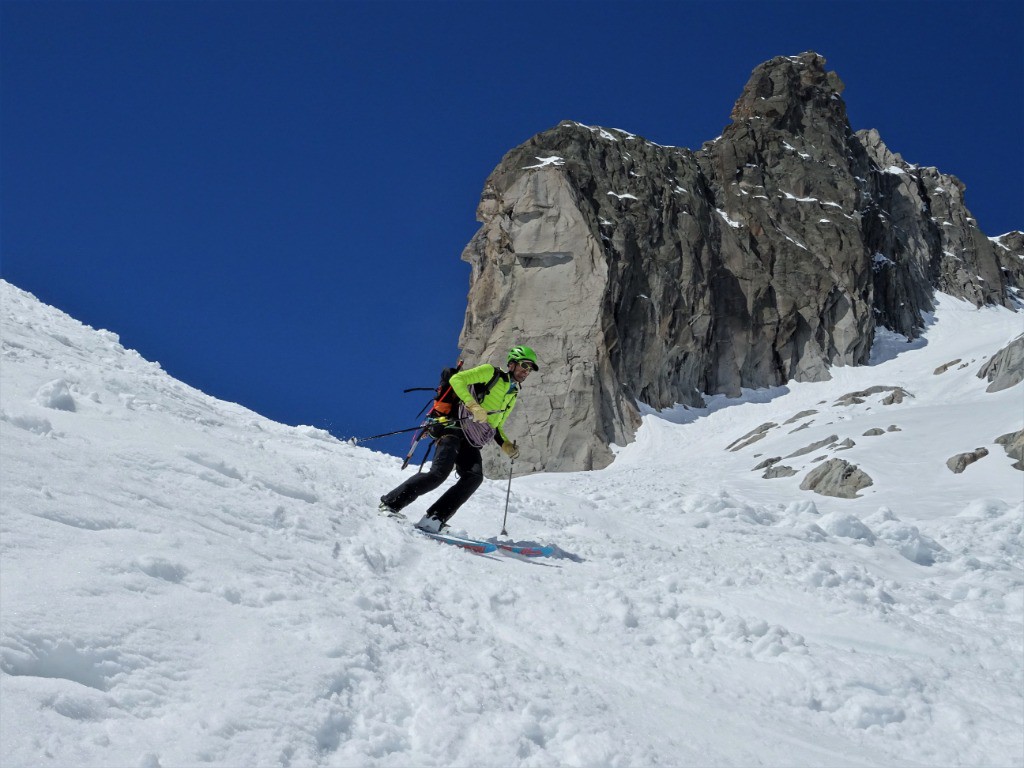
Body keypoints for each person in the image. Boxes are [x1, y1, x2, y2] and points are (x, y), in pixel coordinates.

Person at [379, 345, 540, 533]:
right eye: (524, 365)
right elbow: (457, 379)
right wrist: (472, 405)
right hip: (453, 427)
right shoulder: (491, 373)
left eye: (530, 368)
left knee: (474, 477)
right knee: (439, 474)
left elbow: (495, 424)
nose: (526, 371)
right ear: (512, 364)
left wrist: (504, 444)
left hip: (472, 439)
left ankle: (435, 518)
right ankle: (390, 504)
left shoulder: (513, 394)